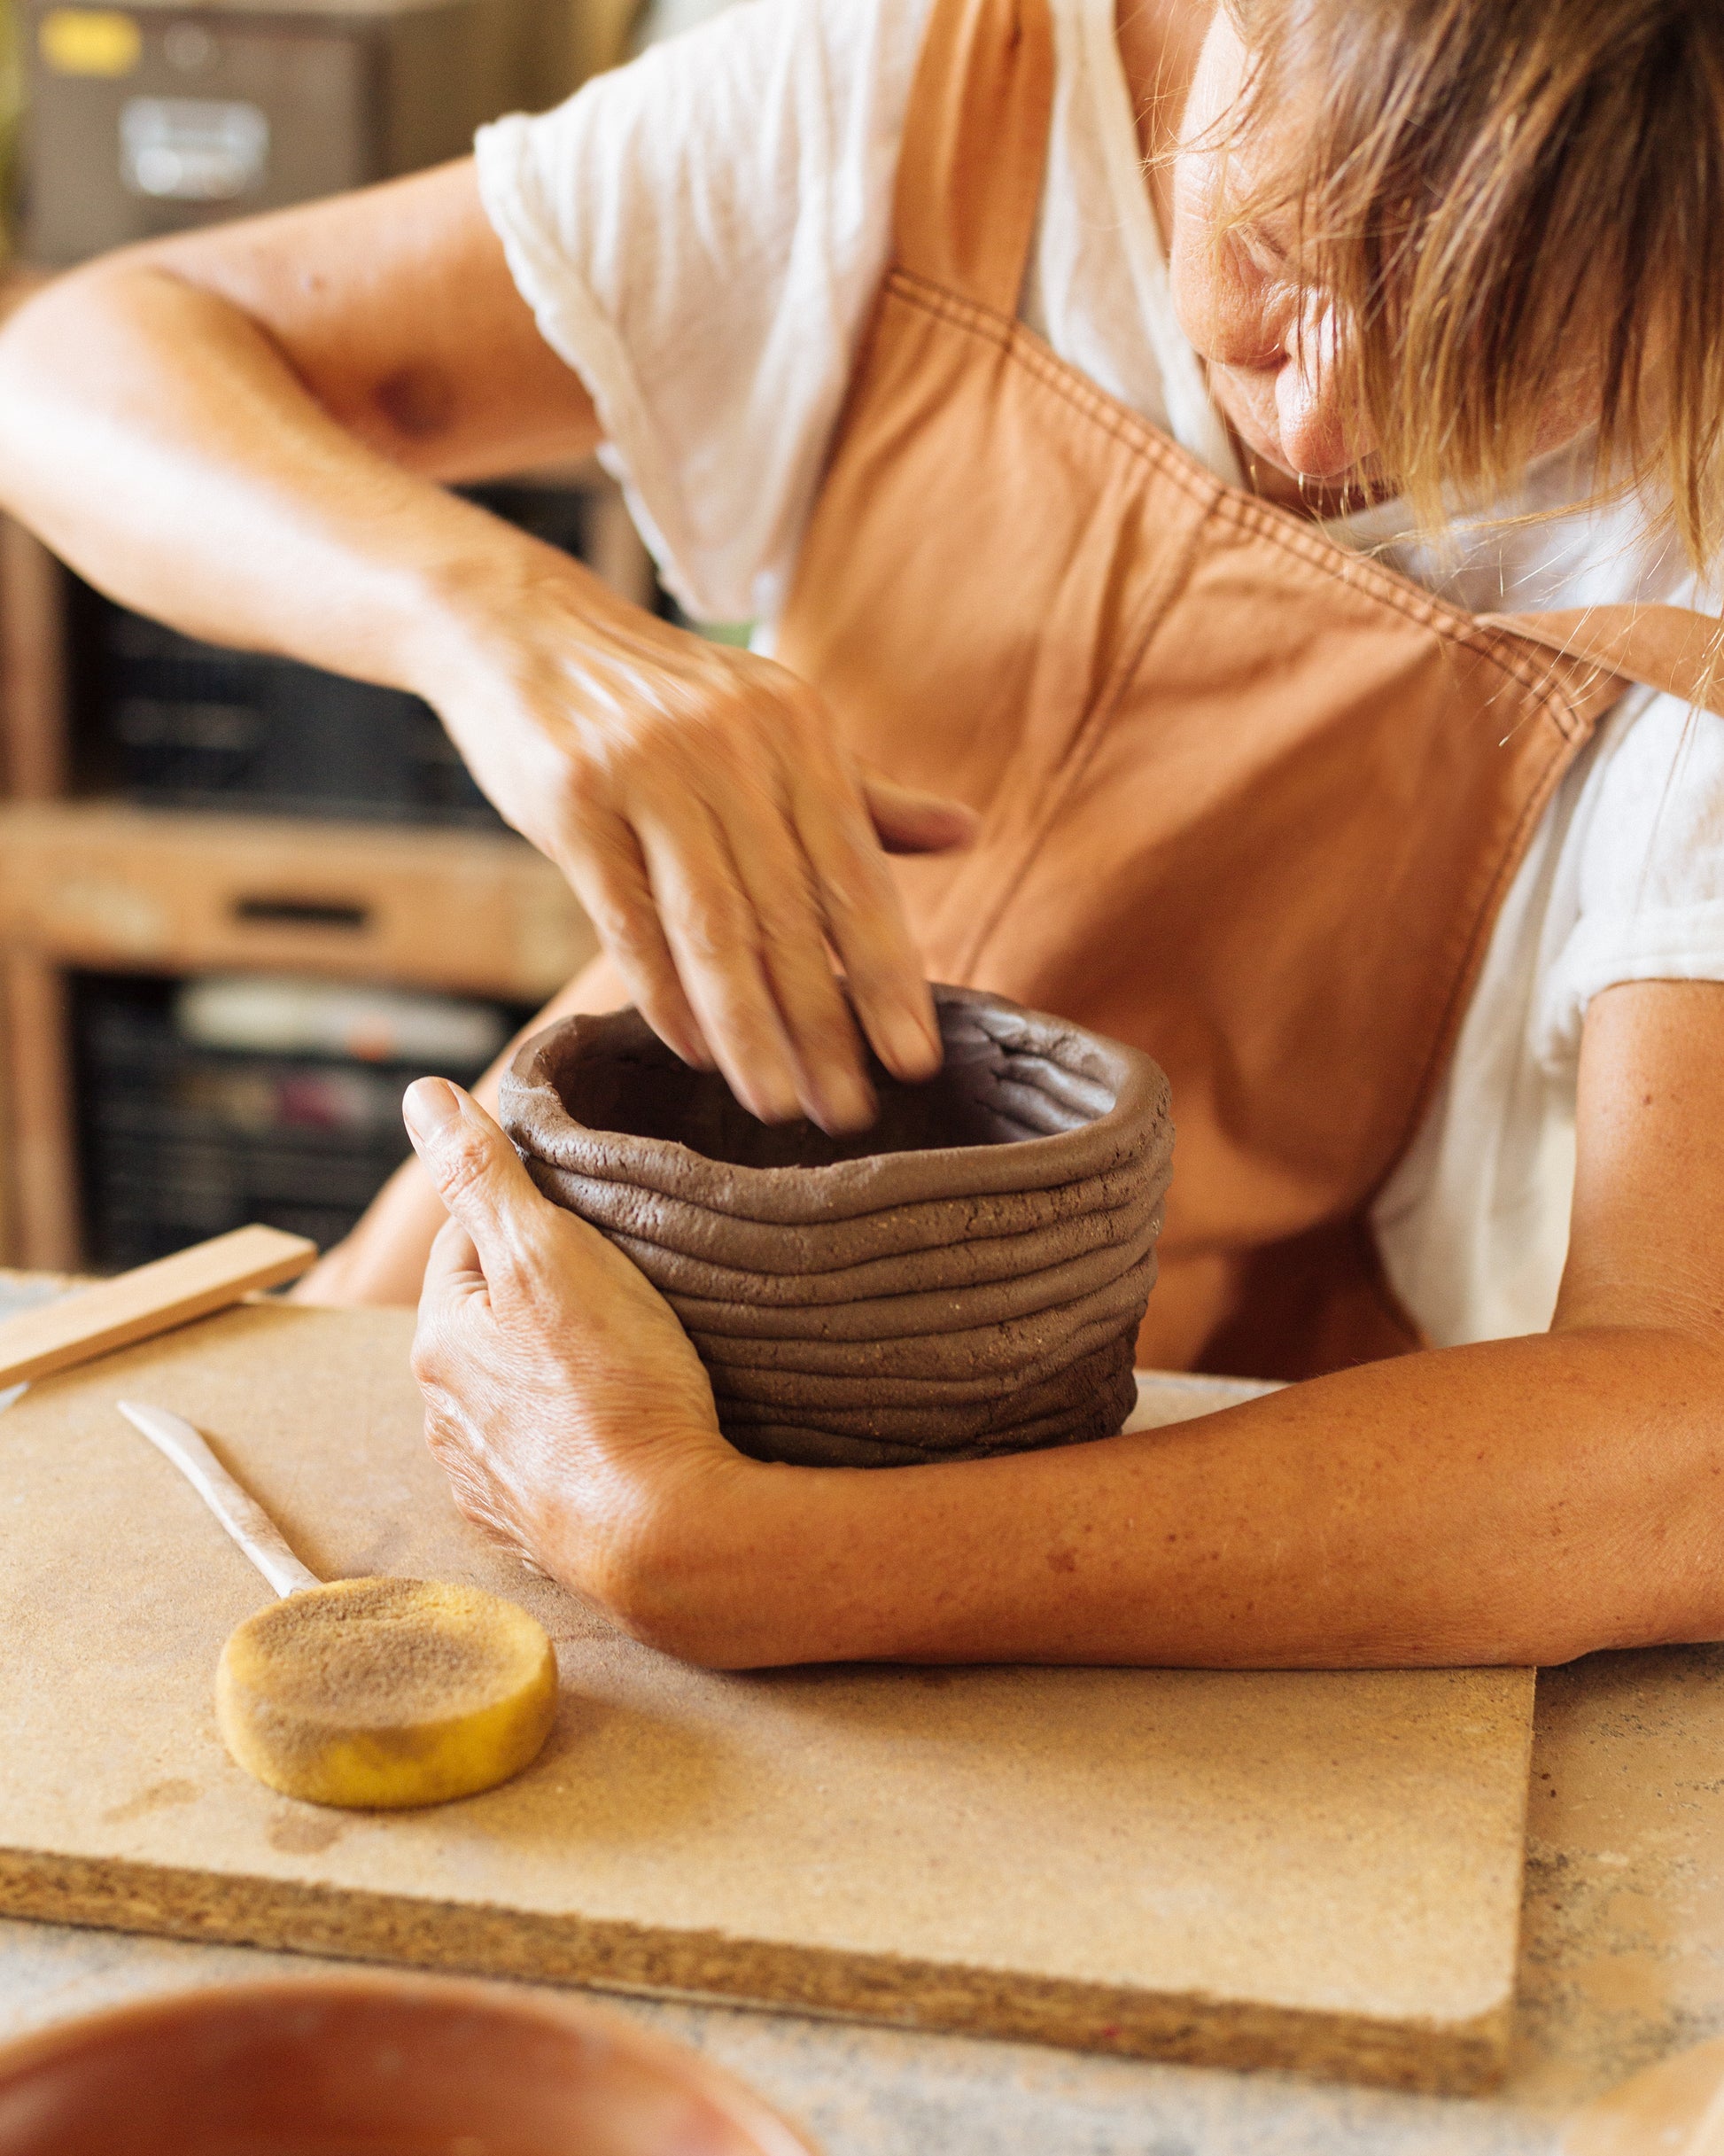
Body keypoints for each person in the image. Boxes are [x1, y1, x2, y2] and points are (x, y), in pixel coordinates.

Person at [4, 0, 1723, 1668]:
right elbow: (65, 374)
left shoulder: (1692, 495)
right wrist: (491, 616)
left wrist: (747, 1560)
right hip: (603, 1290)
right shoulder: (932, 85)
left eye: (1494, 342)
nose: (1319, 425)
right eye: (1276, 252)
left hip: (1203, 1482)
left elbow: (1683, 1437)